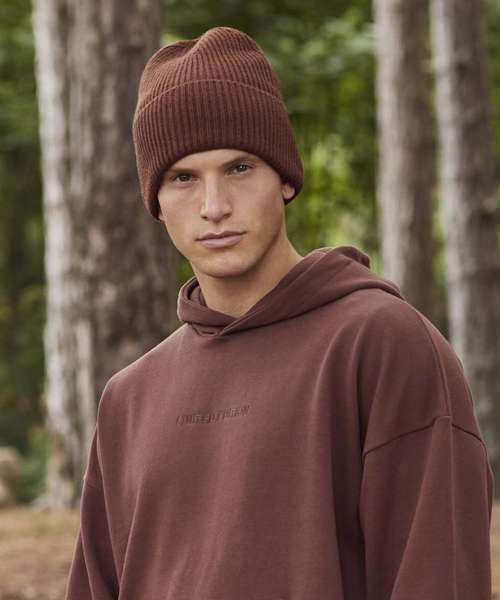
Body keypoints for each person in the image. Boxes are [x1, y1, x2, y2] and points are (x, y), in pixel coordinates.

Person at [64, 26, 494, 600]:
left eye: (239, 168)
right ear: (157, 203)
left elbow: (438, 578)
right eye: (183, 177)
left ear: (285, 179)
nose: (214, 206)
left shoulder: (381, 344)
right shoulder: (129, 399)